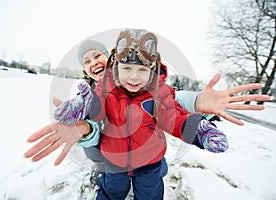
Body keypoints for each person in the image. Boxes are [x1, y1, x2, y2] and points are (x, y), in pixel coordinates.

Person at [24, 33, 271, 191]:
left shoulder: (154, 91)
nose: (134, 77)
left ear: (110, 59)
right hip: (112, 160)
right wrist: (79, 121)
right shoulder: (95, 92)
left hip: (147, 162)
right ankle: (100, 174)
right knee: (110, 188)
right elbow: (95, 118)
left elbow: (174, 111)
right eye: (86, 61)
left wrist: (201, 124)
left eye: (96, 56)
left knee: (151, 188)